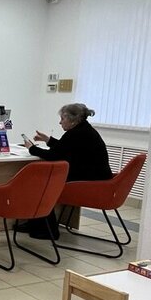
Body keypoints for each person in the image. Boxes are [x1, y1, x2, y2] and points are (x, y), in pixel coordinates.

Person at [22, 102, 112, 238]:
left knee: (41, 183)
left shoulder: (76, 133)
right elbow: (66, 148)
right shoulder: (84, 130)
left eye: (62, 119)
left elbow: (53, 155)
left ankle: (46, 229)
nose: (60, 122)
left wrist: (31, 148)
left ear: (73, 120)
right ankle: (38, 224)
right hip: (97, 178)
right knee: (44, 180)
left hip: (88, 182)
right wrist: (48, 140)